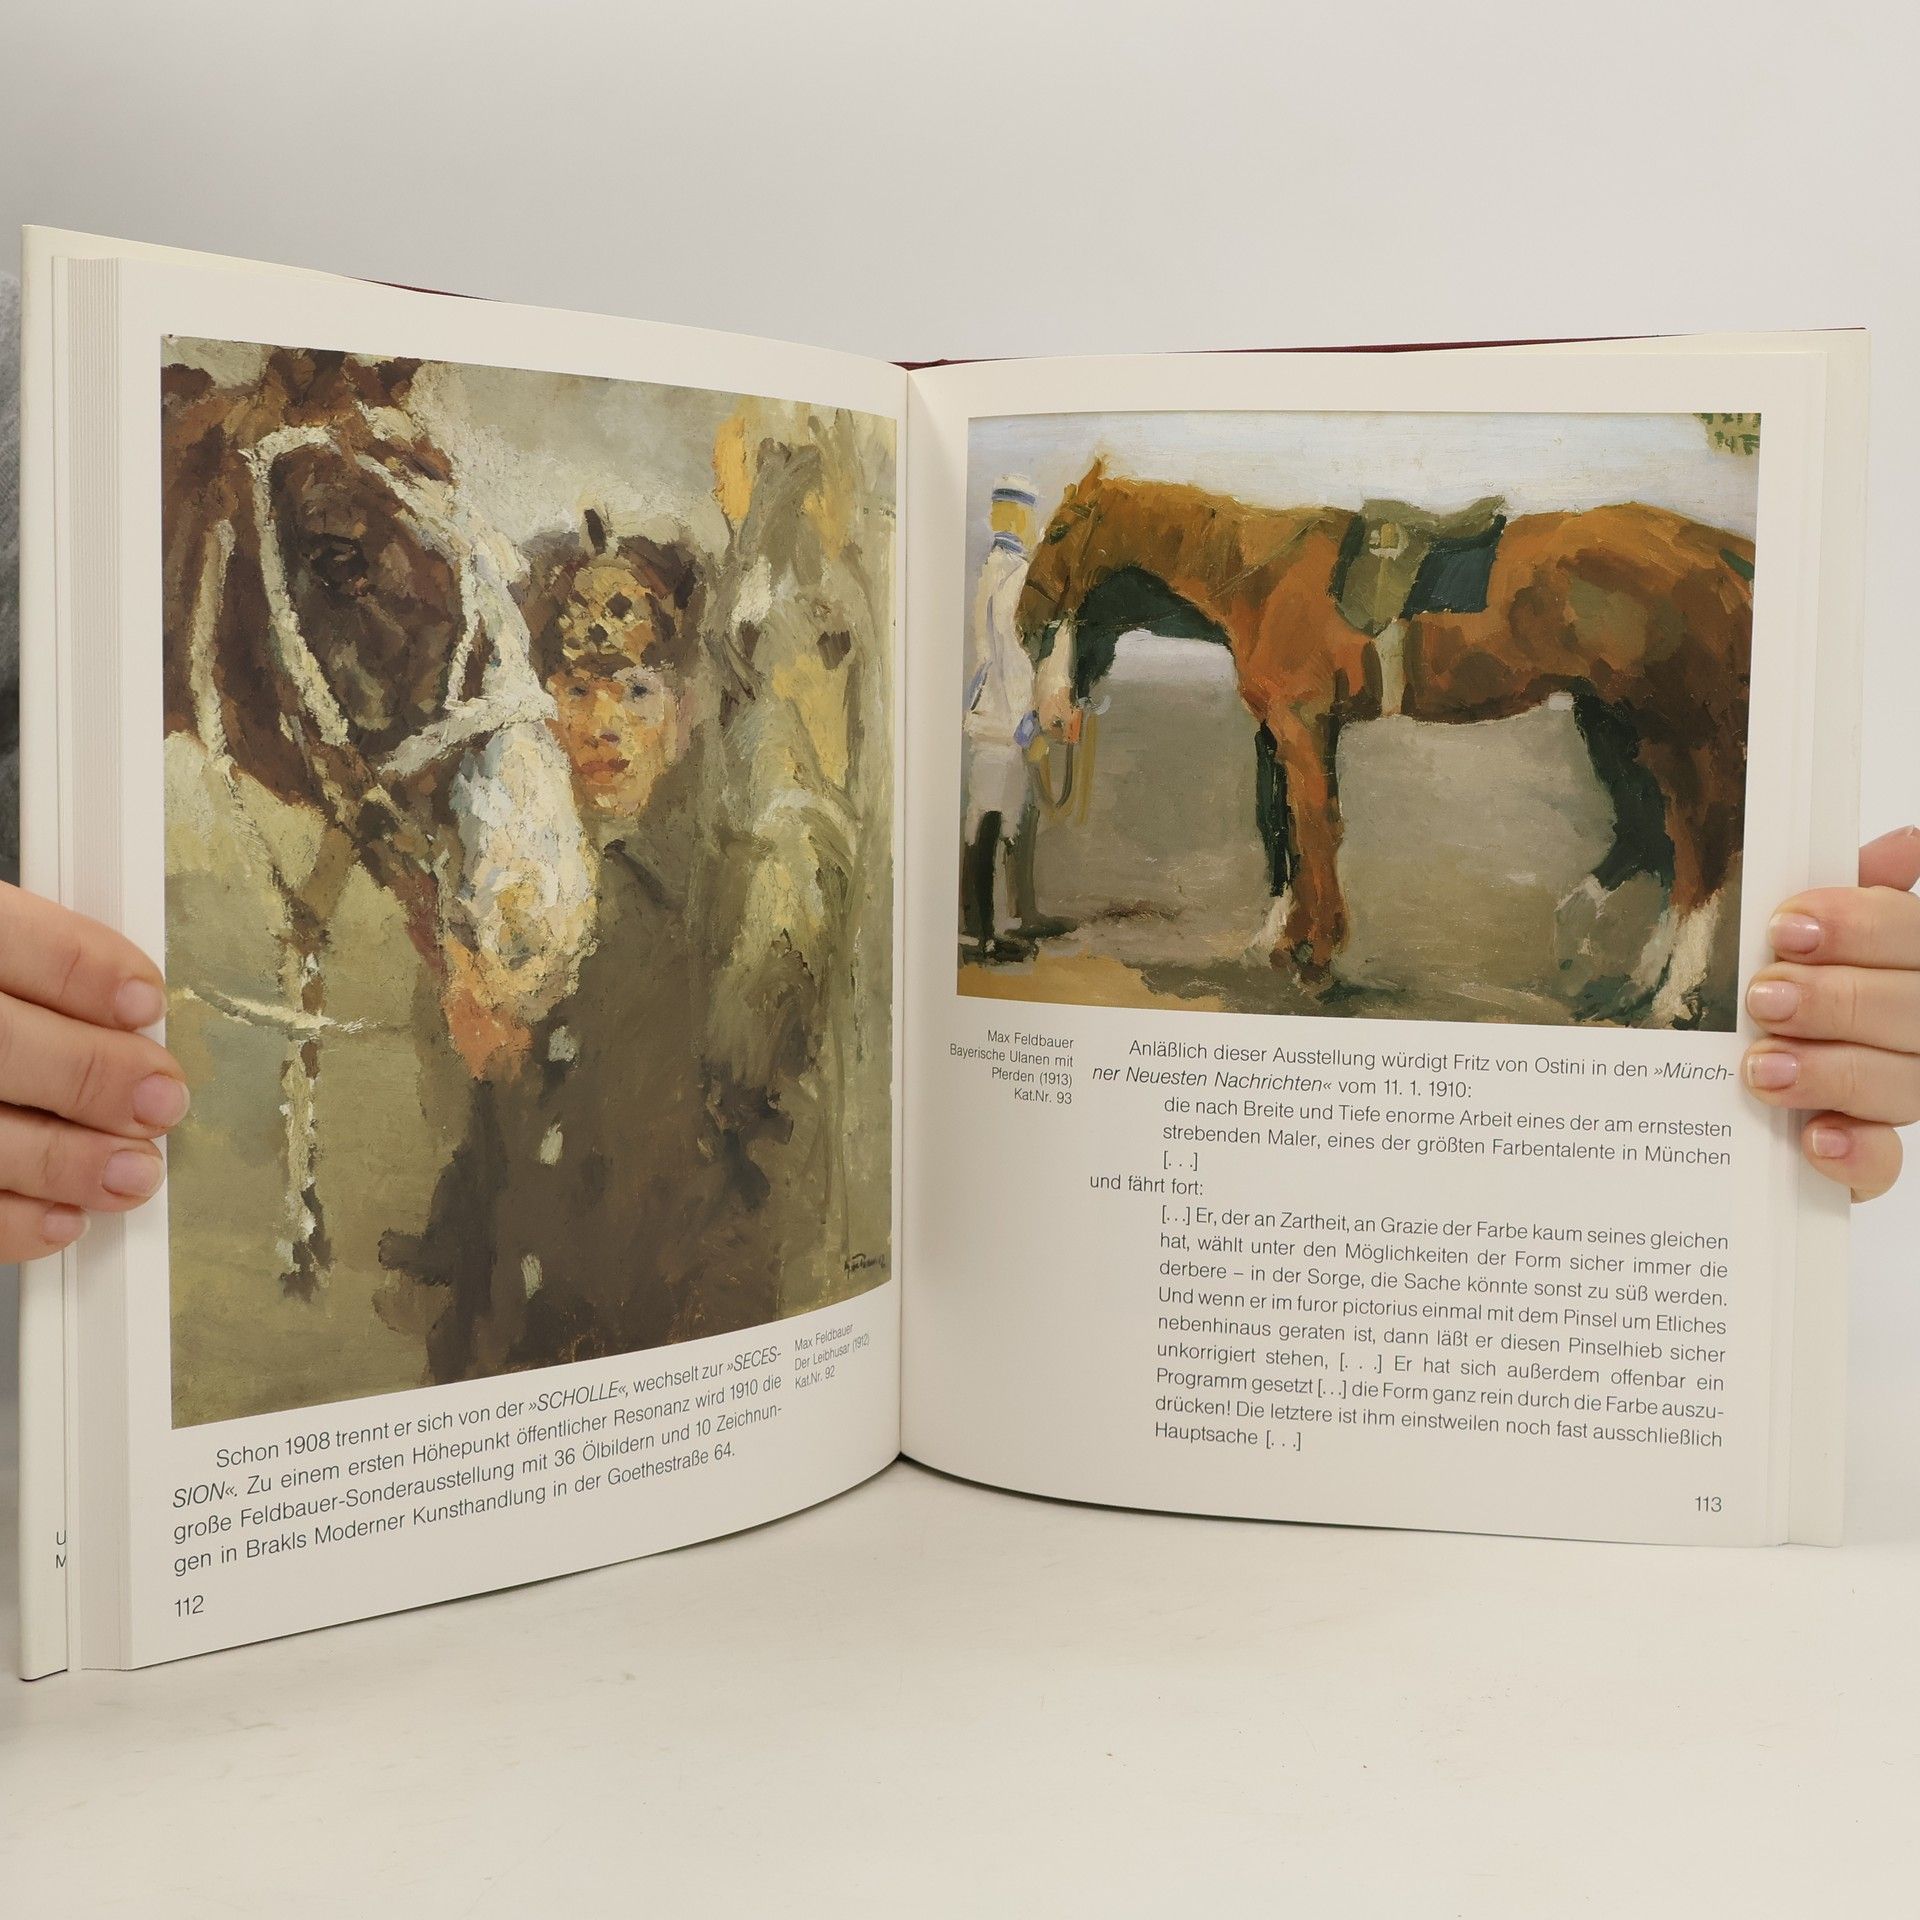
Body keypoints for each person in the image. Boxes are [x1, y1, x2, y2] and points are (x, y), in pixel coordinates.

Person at [960, 474, 1068, 961]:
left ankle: (1011, 919)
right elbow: (1012, 654)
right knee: (990, 817)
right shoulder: (1017, 575)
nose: (1021, 520)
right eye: (1017, 512)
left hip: (991, 714)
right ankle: (981, 933)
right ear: (1008, 516)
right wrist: (1029, 725)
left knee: (1007, 813)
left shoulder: (991, 568)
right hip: (1002, 720)